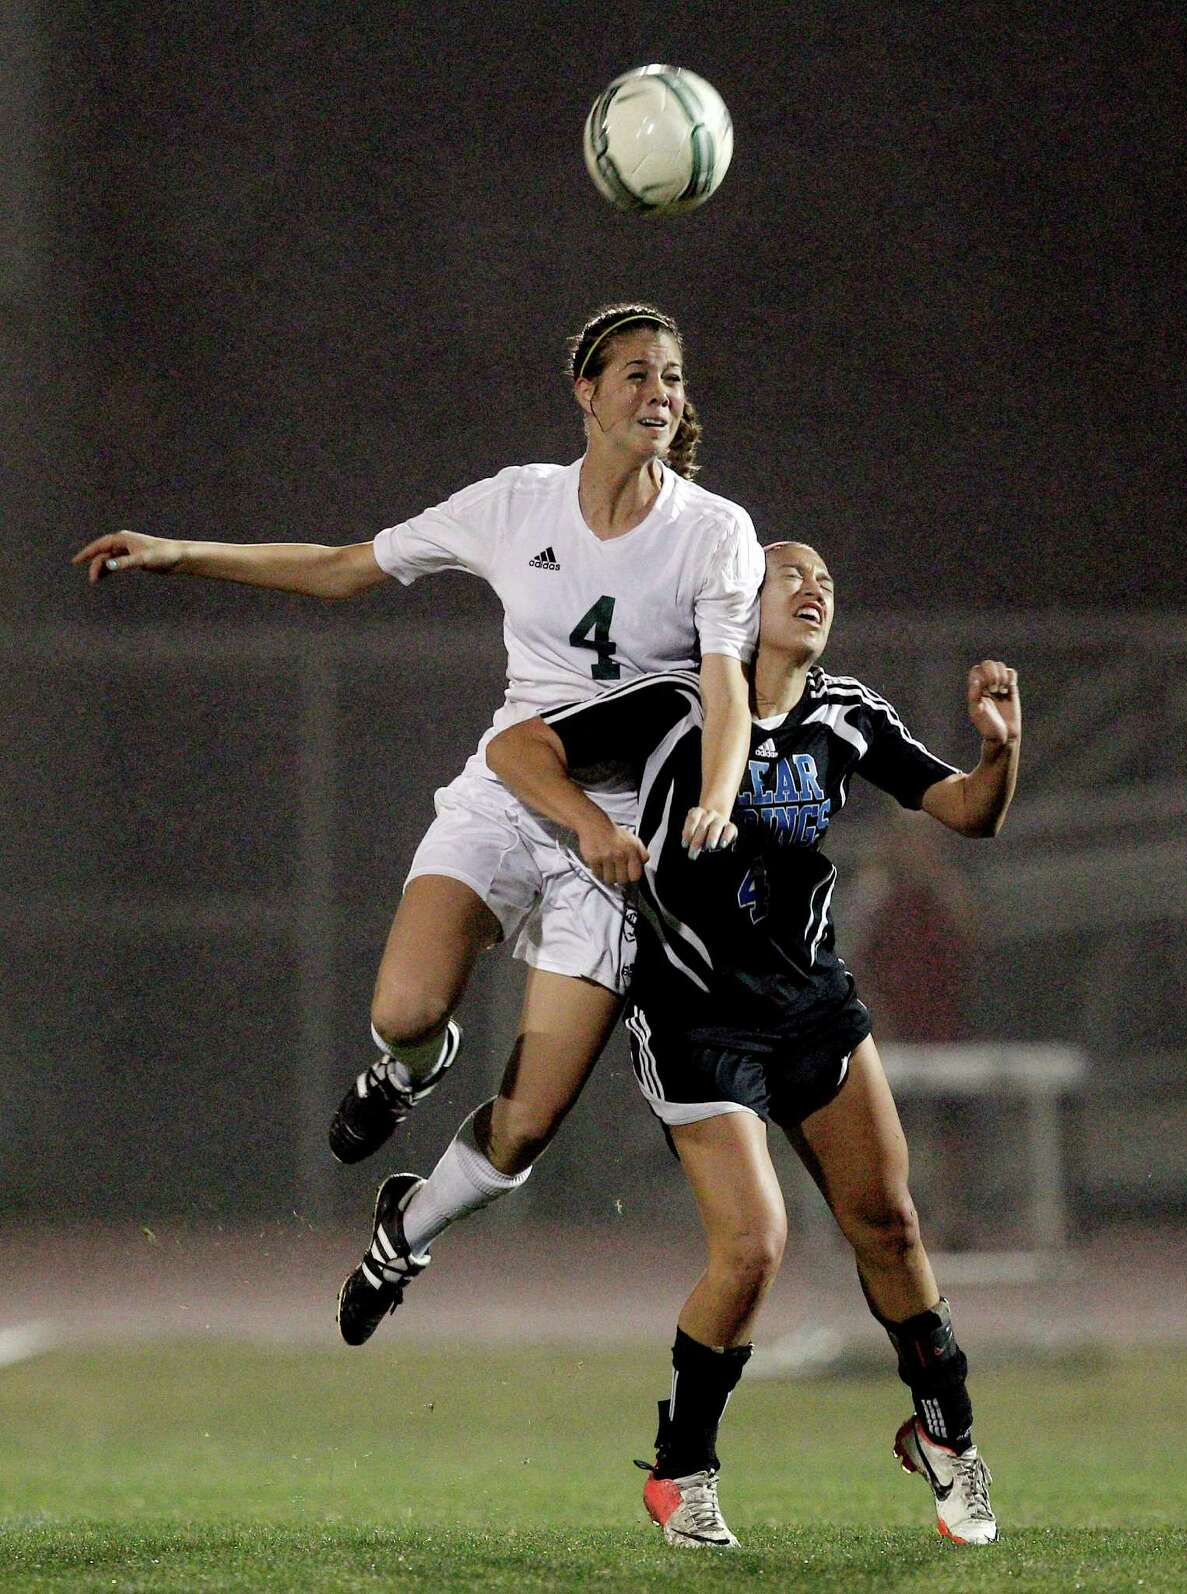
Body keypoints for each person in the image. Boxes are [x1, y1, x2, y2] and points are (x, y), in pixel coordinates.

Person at [72, 303, 764, 1316]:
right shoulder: (515, 505)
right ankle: (409, 1068)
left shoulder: (715, 533)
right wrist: (182, 552)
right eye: (637, 375)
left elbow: (729, 691)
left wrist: (710, 801)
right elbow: (346, 565)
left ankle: (406, 1232)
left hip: (619, 842)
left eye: (672, 378)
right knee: (403, 1009)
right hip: (516, 795)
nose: (661, 394)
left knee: (525, 1126)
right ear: (585, 392)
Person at [483, 542, 1020, 1549]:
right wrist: (586, 829)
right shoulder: (675, 703)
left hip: (811, 1007)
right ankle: (682, 1469)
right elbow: (517, 750)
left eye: (828, 576)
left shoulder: (846, 713)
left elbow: (967, 812)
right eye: (791, 574)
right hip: (692, 1015)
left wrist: (999, 751)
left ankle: (949, 1439)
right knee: (755, 1246)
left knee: (892, 1227)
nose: (815, 586)